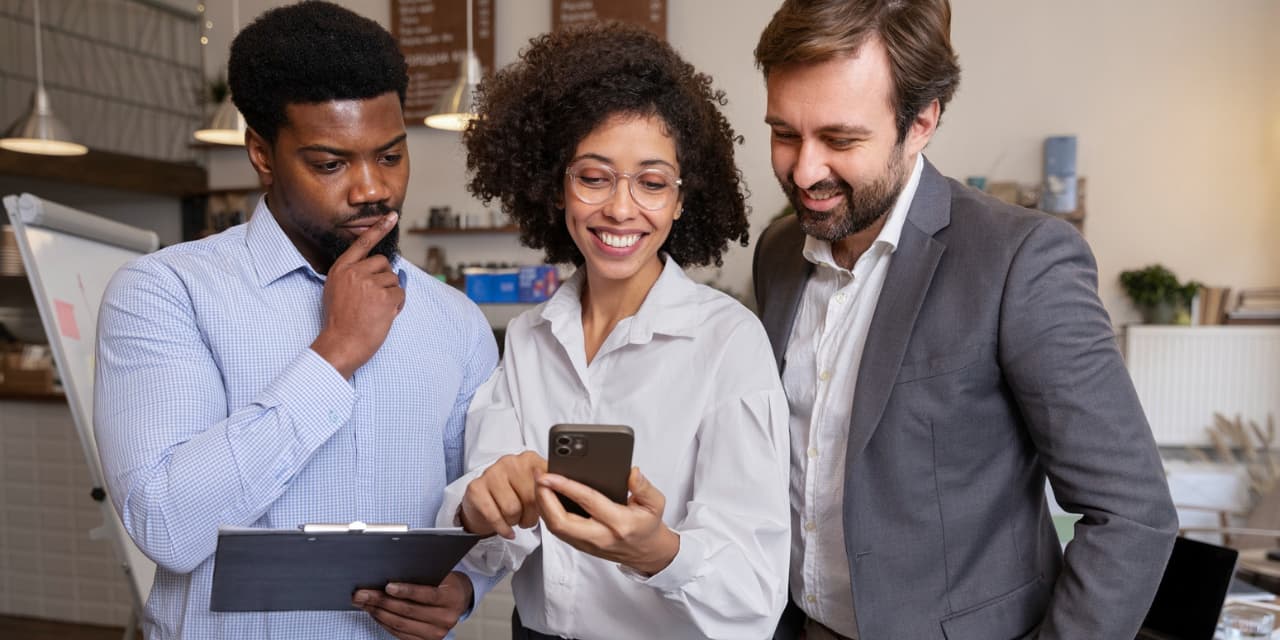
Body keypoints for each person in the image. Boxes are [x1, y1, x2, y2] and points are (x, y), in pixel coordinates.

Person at [751, 1, 1179, 639]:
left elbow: (1132, 515)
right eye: (785, 133)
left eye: (841, 139)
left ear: (922, 120)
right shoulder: (778, 252)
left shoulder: (1021, 259)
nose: (805, 170)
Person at [93, 3, 497, 638]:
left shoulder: (456, 321)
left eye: (390, 157)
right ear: (262, 154)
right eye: (331, 164)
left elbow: (477, 503)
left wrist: (468, 586)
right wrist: (335, 352)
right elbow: (167, 526)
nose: (371, 189)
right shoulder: (166, 293)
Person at [432, 23, 792, 640]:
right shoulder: (527, 338)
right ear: (556, 185)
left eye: (652, 183)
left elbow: (756, 592)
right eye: (594, 177)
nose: (621, 209)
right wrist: (481, 503)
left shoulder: (729, 342)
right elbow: (490, 547)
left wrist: (660, 553)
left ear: (682, 199)